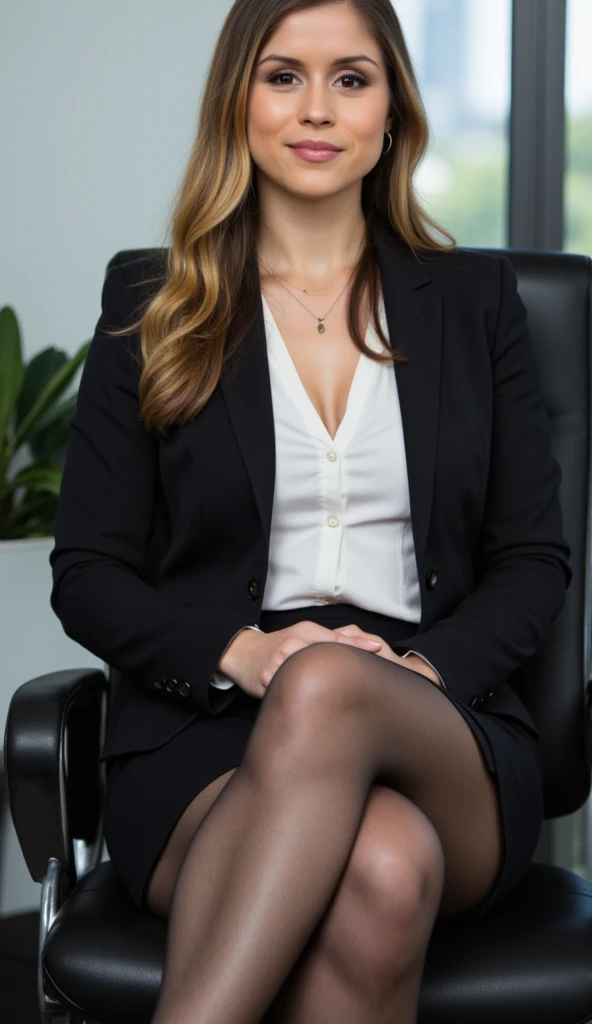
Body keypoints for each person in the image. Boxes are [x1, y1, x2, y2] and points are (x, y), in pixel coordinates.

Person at [49, 1, 572, 1022]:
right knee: (378, 872)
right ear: (236, 101)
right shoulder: (152, 308)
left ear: (392, 112)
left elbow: (530, 560)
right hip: (206, 734)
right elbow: (89, 570)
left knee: (333, 686)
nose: (316, 108)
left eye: (351, 78)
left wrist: (421, 673)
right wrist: (240, 651)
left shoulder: (475, 303)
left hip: (442, 725)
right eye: (283, 75)